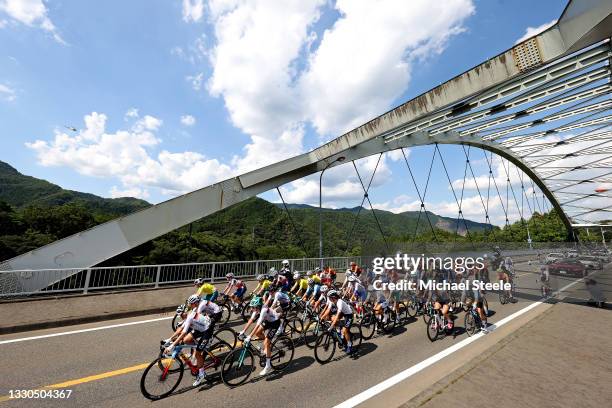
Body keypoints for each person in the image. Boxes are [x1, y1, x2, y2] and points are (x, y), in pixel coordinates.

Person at [164, 295, 213, 387]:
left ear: (185, 313)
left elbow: (182, 333)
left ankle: (201, 374)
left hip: (207, 330)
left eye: (181, 315)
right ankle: (197, 347)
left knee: (198, 353)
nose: (180, 317)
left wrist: (171, 346)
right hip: (200, 328)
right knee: (186, 340)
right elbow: (180, 329)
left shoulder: (189, 317)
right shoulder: (187, 316)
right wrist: (169, 339)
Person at [244, 301, 282, 376]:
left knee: (266, 342)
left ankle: (268, 366)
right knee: (257, 333)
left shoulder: (263, 310)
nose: (251, 309)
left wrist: (249, 336)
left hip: (275, 322)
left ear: (257, 307)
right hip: (268, 321)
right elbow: (251, 320)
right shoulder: (257, 309)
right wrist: (243, 331)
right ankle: (267, 345)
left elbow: (257, 324)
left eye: (253, 307)